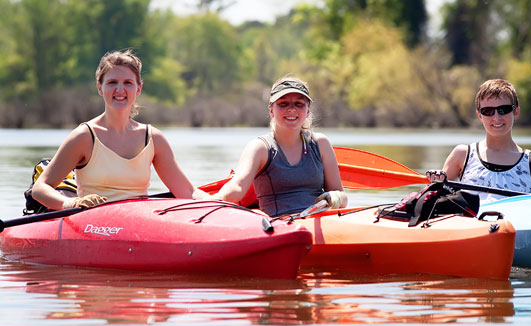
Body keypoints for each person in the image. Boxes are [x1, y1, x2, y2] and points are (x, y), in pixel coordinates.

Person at [32, 49, 209, 210]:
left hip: (137, 221)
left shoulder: (153, 138)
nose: (120, 89)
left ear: (138, 88)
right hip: (91, 223)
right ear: (100, 88)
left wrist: (219, 204)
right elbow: (41, 188)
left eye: (127, 82)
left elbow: (187, 191)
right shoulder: (84, 137)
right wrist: (71, 203)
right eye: (112, 82)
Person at [426, 78, 531, 204]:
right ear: (479, 114)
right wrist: (436, 183)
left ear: (516, 112)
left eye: (504, 110)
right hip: (474, 235)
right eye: (488, 111)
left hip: (518, 235)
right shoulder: (462, 154)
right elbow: (432, 198)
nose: (496, 117)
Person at [212, 75, 348, 217]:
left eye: (299, 104)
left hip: (322, 222)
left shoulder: (321, 144)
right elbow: (237, 186)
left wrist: (335, 197)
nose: (291, 109)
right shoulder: (260, 148)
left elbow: (342, 196)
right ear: (271, 110)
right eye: (283, 103)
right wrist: (216, 199)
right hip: (280, 227)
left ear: (308, 111)